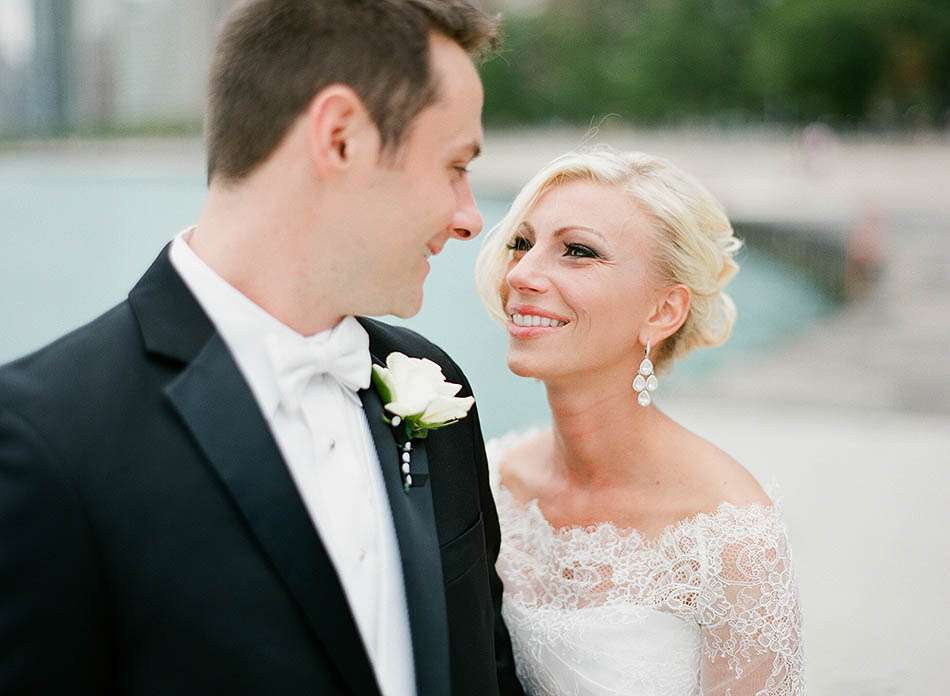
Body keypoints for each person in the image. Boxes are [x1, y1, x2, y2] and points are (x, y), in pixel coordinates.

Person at [0, 1, 522, 694]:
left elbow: (486, 668)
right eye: (455, 166)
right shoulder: (43, 438)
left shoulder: (434, 384)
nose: (468, 218)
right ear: (340, 138)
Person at [474, 147, 805, 695]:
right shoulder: (493, 479)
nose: (523, 274)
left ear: (663, 311)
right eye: (521, 243)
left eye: (577, 251)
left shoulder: (730, 535)